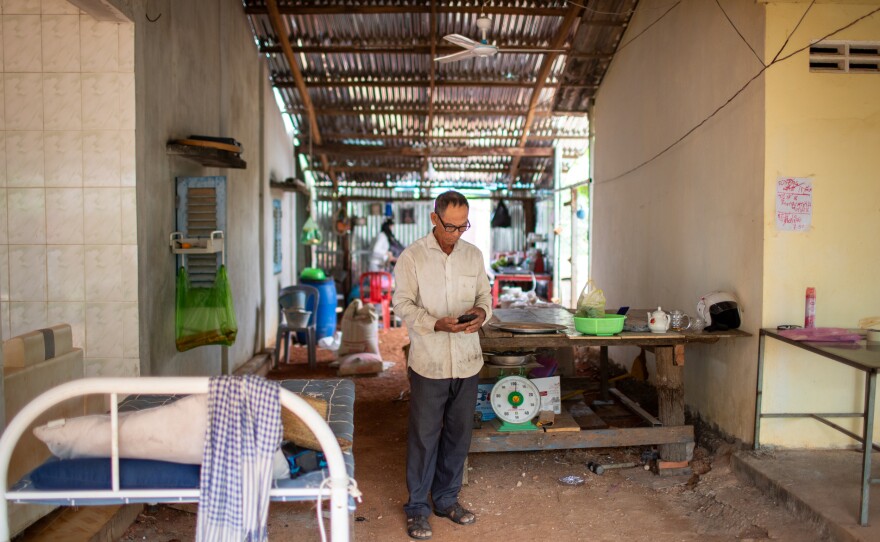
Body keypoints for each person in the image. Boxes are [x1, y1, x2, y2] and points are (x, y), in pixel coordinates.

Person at [391, 191, 492, 540]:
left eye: (463, 226)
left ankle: (447, 499)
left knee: (458, 434)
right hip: (429, 362)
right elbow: (401, 304)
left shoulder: (473, 255)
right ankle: (417, 507)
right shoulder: (413, 257)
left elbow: (485, 297)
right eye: (450, 226)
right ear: (434, 219)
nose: (456, 233)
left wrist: (481, 313)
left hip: (467, 360)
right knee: (424, 436)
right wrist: (436, 323)